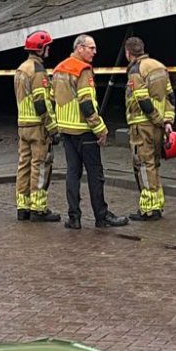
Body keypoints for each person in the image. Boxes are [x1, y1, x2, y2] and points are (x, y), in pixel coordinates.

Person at [49, 34, 127, 230]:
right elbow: (86, 103)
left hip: (66, 130)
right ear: (79, 48)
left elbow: (52, 97)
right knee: (95, 174)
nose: (95, 52)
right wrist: (100, 129)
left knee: (72, 173)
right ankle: (101, 216)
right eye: (91, 48)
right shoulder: (82, 70)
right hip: (84, 131)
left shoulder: (59, 68)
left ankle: (73, 217)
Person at [122, 36, 176, 221]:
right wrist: (167, 121)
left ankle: (148, 209)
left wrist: (156, 119)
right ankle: (158, 204)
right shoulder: (160, 66)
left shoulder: (136, 70)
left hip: (143, 125)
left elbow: (142, 99)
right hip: (159, 127)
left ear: (128, 53)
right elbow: (170, 96)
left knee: (143, 165)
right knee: (155, 164)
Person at [12, 30, 62, 223]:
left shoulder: (21, 68)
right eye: (47, 46)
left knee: (23, 165)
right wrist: (52, 127)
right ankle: (38, 209)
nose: (49, 50)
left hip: (23, 124)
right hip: (37, 125)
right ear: (41, 49)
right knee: (40, 165)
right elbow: (41, 102)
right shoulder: (38, 71)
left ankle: (22, 206)